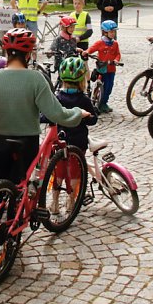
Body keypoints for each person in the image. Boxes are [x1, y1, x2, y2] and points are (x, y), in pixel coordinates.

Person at [0, 28, 89, 184]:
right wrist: (77, 113)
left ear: (6, 52)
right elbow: (56, 113)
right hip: (27, 140)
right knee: (25, 184)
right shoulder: (36, 79)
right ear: (28, 55)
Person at [42, 56, 97, 214]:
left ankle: (54, 203)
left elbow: (47, 115)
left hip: (59, 140)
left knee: (58, 171)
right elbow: (93, 120)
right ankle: (71, 202)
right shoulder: (84, 100)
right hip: (78, 143)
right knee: (74, 172)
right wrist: (85, 116)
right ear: (82, 81)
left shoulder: (57, 98)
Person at [86, 20, 122, 114]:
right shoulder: (100, 43)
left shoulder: (115, 44)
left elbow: (118, 54)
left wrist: (116, 60)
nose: (113, 34)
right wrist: (86, 52)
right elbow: (92, 49)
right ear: (104, 32)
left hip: (111, 69)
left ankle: (104, 103)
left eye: (114, 32)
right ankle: (94, 100)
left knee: (109, 87)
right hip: (101, 68)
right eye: (111, 32)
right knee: (99, 85)